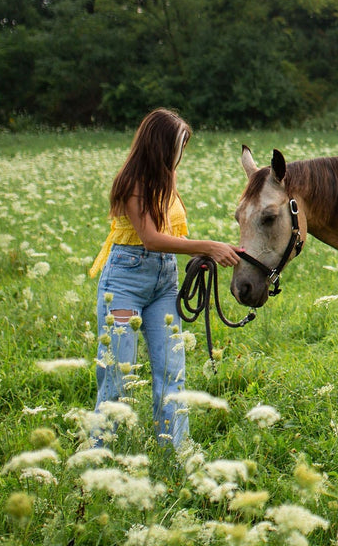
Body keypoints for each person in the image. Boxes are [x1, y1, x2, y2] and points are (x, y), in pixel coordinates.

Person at [88, 108, 240, 449]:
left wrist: (205, 252)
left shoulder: (167, 179)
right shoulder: (132, 183)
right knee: (117, 374)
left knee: (172, 373)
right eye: (178, 146)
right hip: (124, 283)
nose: (180, 155)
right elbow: (151, 238)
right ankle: (97, 459)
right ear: (161, 146)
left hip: (163, 281)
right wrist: (209, 247)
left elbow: (171, 236)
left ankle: (177, 456)